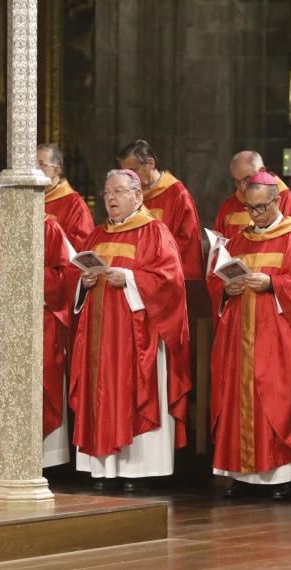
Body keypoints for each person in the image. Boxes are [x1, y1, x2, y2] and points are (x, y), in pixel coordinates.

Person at [69, 169, 192, 492]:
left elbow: (171, 283)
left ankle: (138, 471)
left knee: (133, 392)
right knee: (101, 394)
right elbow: (79, 277)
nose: (111, 198)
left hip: (137, 337)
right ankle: (103, 469)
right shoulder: (96, 235)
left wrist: (131, 279)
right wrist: (84, 283)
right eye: (108, 192)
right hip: (100, 336)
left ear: (138, 195)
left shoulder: (155, 232)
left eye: (119, 192)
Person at [207, 172, 291, 500]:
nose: (255, 214)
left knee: (276, 400)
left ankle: (280, 478)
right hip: (238, 336)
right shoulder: (239, 241)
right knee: (239, 400)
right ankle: (242, 476)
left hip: (277, 339)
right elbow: (216, 280)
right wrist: (225, 288)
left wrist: (274, 284)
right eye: (250, 208)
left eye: (261, 207)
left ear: (276, 201)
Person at [0, 186, 72, 478]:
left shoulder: (48, 229)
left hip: (37, 321)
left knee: (37, 384)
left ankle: (42, 461)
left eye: (2, 211)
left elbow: (65, 276)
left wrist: (24, 275)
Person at [118, 139, 204, 280]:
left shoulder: (177, 194)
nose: (130, 178)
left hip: (166, 276)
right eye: (125, 173)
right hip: (135, 277)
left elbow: (187, 243)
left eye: (133, 171)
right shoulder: (131, 195)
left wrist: (154, 265)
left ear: (150, 164)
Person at [213, 150, 291, 240]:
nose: (243, 188)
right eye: (237, 181)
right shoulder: (229, 206)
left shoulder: (287, 201)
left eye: (247, 179)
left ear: (262, 171)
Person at [38, 143, 94, 251]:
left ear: (56, 170)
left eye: (41, 164)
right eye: (32, 165)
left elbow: (80, 247)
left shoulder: (74, 204)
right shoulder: (27, 200)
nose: (35, 170)